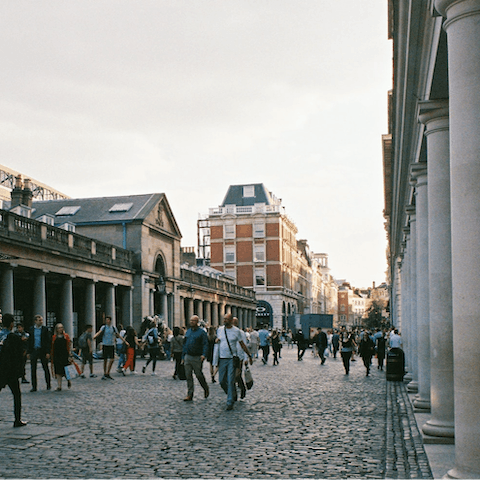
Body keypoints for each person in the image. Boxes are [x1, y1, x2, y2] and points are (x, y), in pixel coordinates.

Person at [216, 313, 252, 411]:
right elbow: (218, 342)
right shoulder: (220, 330)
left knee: (231, 379)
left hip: (232, 358)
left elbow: (242, 344)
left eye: (226, 319)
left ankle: (230, 401)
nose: (224, 321)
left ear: (231, 320)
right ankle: (232, 393)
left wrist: (248, 355)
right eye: (224, 319)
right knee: (222, 381)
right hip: (222, 358)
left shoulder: (237, 331)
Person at [0, 314, 27, 427]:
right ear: (11, 324)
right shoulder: (15, 337)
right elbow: (19, 356)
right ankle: (17, 419)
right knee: (16, 394)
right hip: (10, 371)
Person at [182, 315, 209, 401]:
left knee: (198, 375)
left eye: (193, 321)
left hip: (197, 356)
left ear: (197, 322)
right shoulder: (188, 331)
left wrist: (204, 354)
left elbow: (205, 344)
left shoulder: (202, 332)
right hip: (188, 356)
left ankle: (205, 387)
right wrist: (183, 356)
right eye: (190, 321)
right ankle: (190, 394)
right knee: (188, 375)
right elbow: (185, 344)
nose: (191, 322)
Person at [27, 315, 52, 392]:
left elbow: (48, 341)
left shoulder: (45, 329)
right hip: (34, 350)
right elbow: (29, 341)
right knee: (33, 369)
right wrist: (28, 352)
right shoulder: (31, 329)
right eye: (39, 320)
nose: (41, 321)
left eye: (41, 320)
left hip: (42, 350)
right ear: (35, 321)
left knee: (45, 368)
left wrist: (48, 352)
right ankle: (34, 386)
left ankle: (48, 384)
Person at [50, 323, 72, 391]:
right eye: (59, 328)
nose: (60, 329)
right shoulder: (54, 337)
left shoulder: (66, 336)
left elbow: (69, 345)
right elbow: (52, 347)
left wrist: (70, 354)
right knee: (58, 371)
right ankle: (59, 386)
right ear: (56, 329)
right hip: (57, 355)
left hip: (64, 355)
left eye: (61, 327)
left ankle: (68, 380)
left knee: (66, 370)